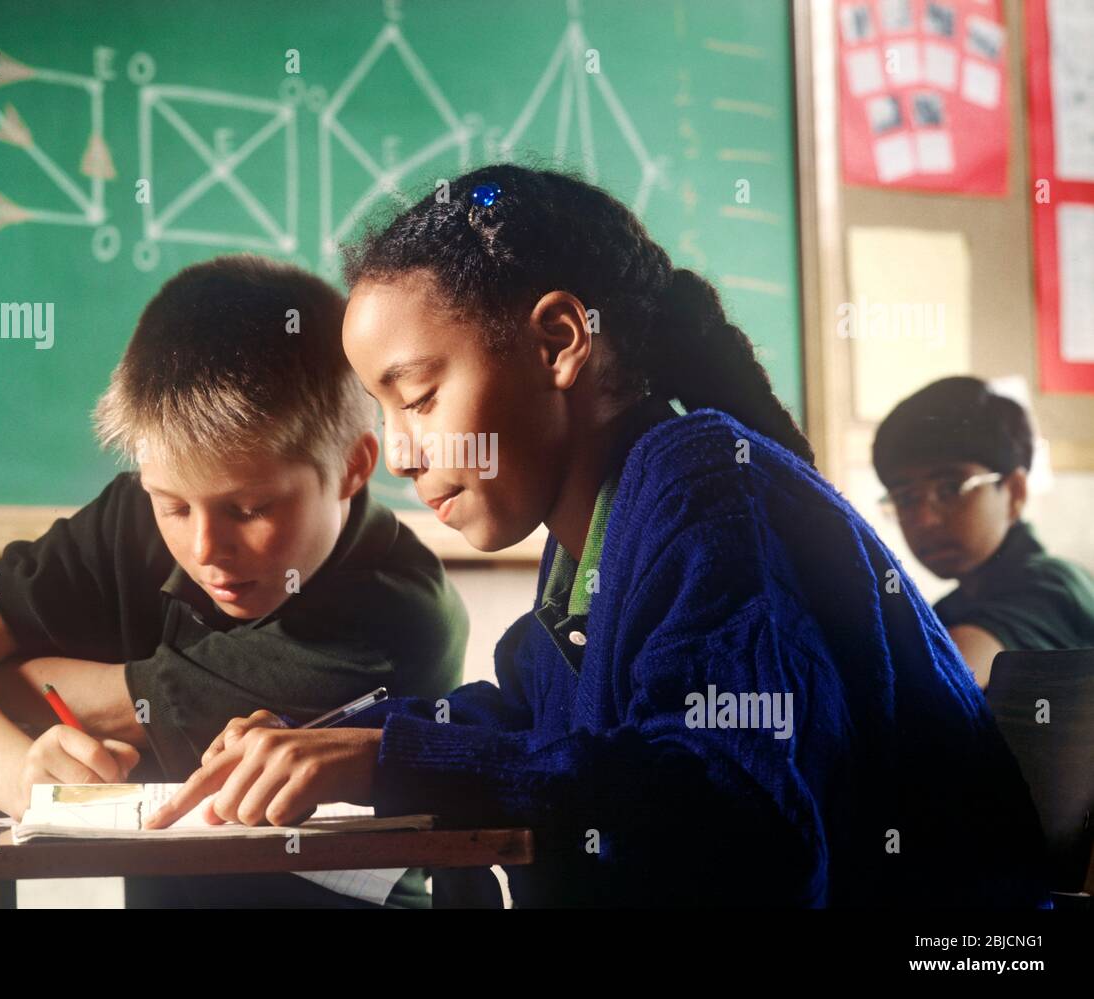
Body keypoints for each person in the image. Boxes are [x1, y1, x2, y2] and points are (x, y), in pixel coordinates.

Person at [148, 164, 1049, 908]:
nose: (401, 456)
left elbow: (736, 801)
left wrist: (392, 757)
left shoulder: (704, 484)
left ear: (558, 341)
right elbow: (534, 720)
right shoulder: (597, 531)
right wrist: (331, 742)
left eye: (419, 397)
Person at [0, 255, 467, 908]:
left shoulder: (400, 612)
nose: (207, 550)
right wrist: (20, 779)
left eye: (249, 509)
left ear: (353, 466)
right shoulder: (136, 517)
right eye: (174, 505)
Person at [873, 376, 1094, 688]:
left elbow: (939, 682)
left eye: (951, 488)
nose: (924, 519)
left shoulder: (1053, 586)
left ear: (1015, 493)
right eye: (906, 498)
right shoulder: (952, 606)